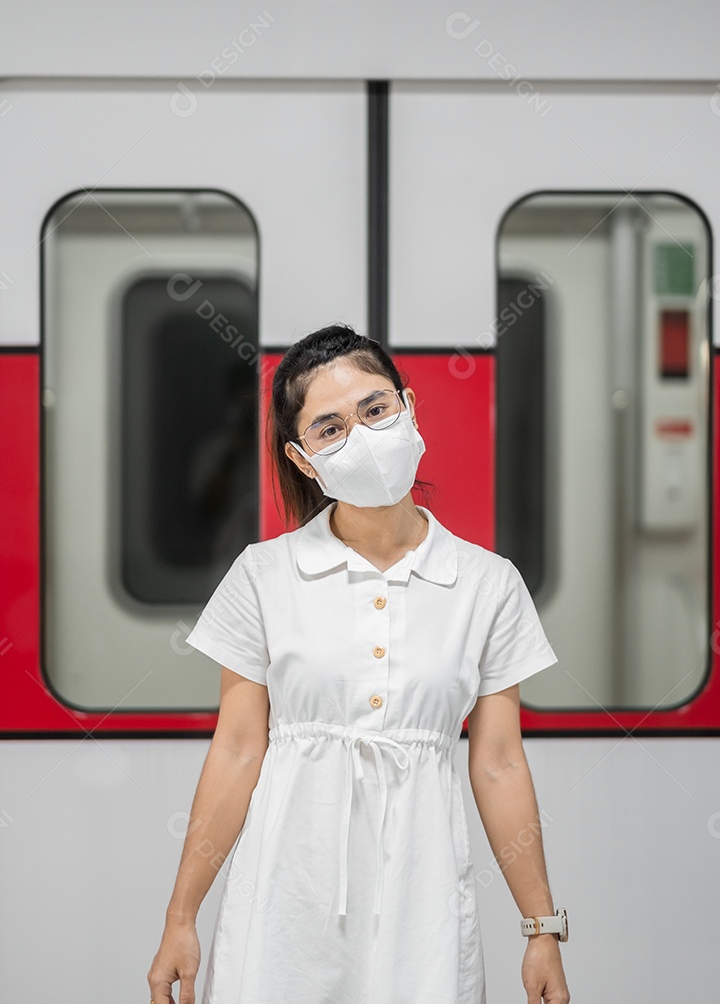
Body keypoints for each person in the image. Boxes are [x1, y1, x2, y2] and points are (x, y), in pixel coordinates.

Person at [147, 322, 571, 1004]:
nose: (363, 436)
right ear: (304, 459)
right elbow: (234, 749)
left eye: (375, 410)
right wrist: (180, 917)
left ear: (408, 408)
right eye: (330, 427)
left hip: (423, 898)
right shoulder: (263, 576)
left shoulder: (488, 584)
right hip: (284, 896)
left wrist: (541, 927)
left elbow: (498, 762)